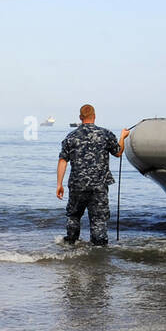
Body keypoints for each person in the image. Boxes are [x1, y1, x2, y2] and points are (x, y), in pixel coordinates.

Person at [57, 104, 122, 245]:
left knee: (73, 216)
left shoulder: (71, 136)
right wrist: (123, 136)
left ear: (80, 118)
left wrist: (59, 184)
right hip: (99, 186)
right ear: (94, 116)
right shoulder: (105, 134)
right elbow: (118, 152)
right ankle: (98, 252)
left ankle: (71, 245)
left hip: (77, 185)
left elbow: (62, 161)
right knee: (99, 219)